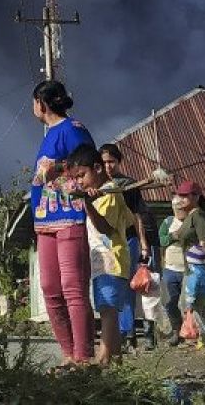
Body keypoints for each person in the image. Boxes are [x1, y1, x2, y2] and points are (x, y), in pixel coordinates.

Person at [29, 79, 95, 366]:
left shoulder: (73, 129)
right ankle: (67, 354)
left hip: (69, 214)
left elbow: (88, 162)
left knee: (72, 287)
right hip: (45, 219)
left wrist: (58, 168)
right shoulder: (48, 135)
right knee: (50, 288)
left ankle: (82, 357)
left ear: (41, 104)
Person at [68, 143, 134, 366]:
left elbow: (105, 227)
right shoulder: (98, 195)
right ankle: (115, 360)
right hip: (100, 263)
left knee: (107, 309)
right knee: (107, 308)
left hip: (111, 260)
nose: (79, 181)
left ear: (97, 168)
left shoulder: (111, 193)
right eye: (76, 178)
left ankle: (103, 356)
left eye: (82, 175)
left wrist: (88, 202)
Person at [99, 142, 160, 348]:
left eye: (111, 162)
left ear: (119, 162)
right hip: (105, 240)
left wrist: (144, 244)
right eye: (104, 162)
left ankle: (130, 333)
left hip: (129, 238)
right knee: (110, 285)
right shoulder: (97, 185)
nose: (108, 166)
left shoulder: (128, 184)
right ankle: (121, 333)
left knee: (129, 285)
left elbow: (137, 215)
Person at [157, 194, 190, 346]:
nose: (180, 211)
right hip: (170, 267)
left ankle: (190, 332)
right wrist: (173, 237)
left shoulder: (191, 221)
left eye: (182, 208)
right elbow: (161, 240)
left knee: (187, 303)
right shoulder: (168, 222)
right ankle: (176, 331)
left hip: (187, 268)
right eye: (177, 208)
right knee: (170, 302)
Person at [182, 245, 205, 348]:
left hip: (198, 299)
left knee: (199, 320)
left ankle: (202, 341)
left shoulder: (194, 274)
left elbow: (192, 289)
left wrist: (189, 302)